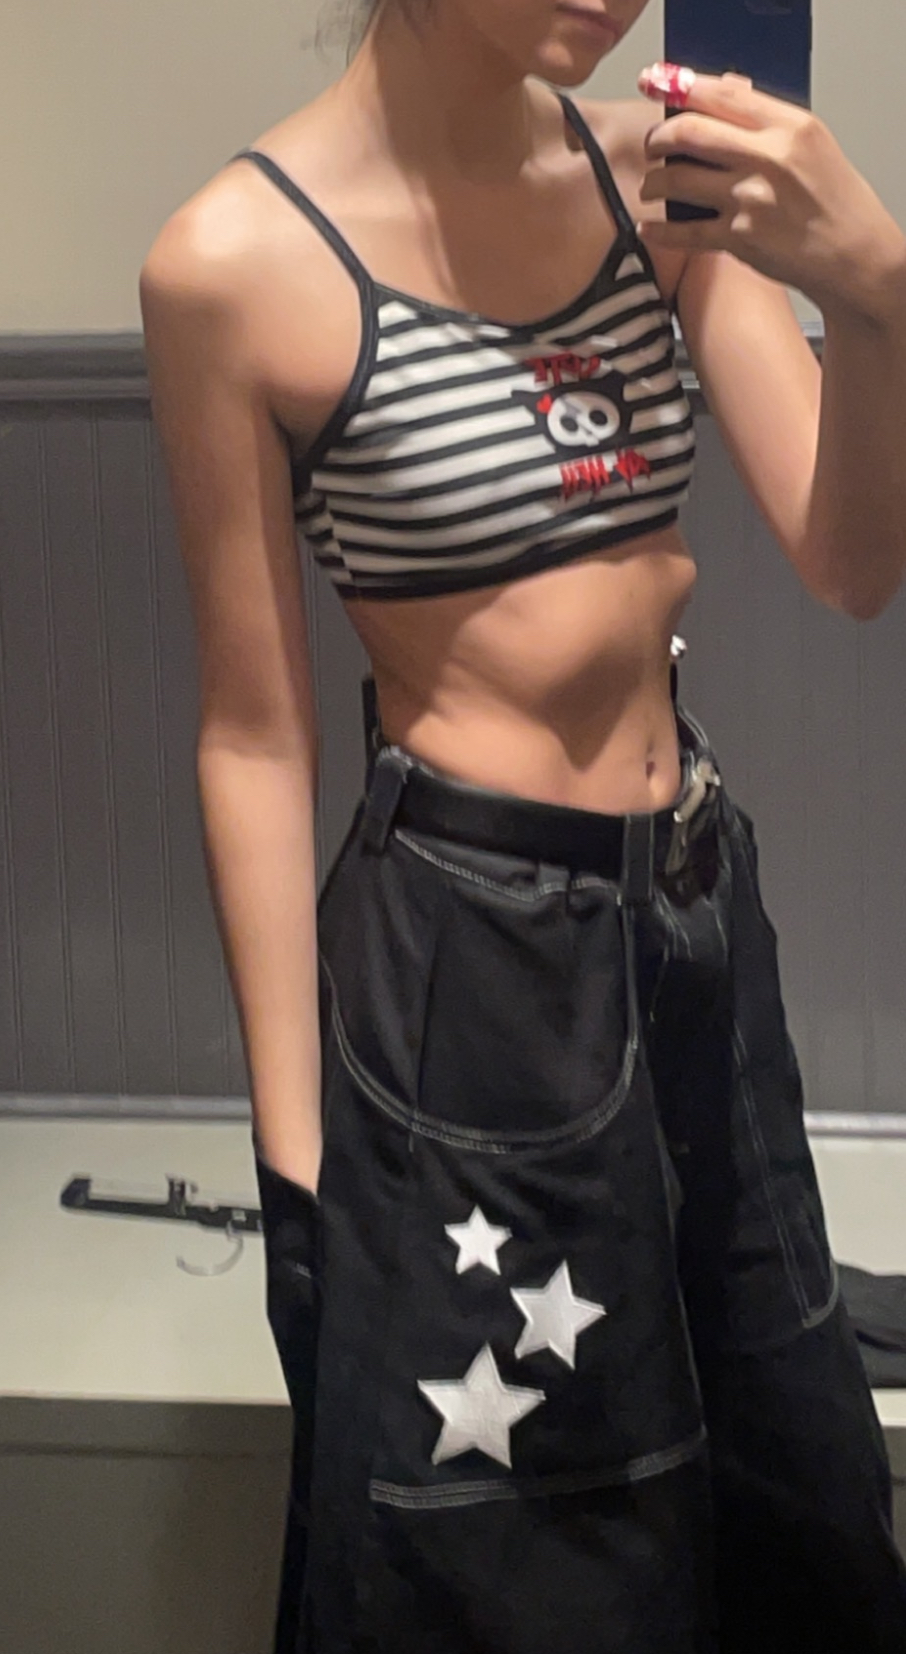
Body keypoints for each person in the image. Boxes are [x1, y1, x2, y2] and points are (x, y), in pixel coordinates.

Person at [140, 3, 906, 1649]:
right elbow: (254, 733)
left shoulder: (663, 184)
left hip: (695, 922)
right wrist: (297, 1173)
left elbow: (848, 559)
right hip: (471, 967)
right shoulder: (231, 264)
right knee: (512, 1558)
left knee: (799, 1493)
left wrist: (879, 292)